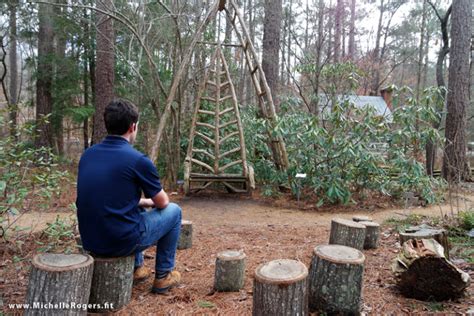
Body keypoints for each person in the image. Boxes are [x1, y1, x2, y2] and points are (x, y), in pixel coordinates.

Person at [76, 99, 182, 294]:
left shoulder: (88, 155)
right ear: (133, 126)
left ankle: (137, 269)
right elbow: (163, 202)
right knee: (175, 211)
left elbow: (106, 197)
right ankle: (163, 276)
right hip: (120, 242)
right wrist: (151, 200)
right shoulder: (137, 160)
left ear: (107, 124)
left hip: (91, 240)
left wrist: (142, 201)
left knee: (139, 206)